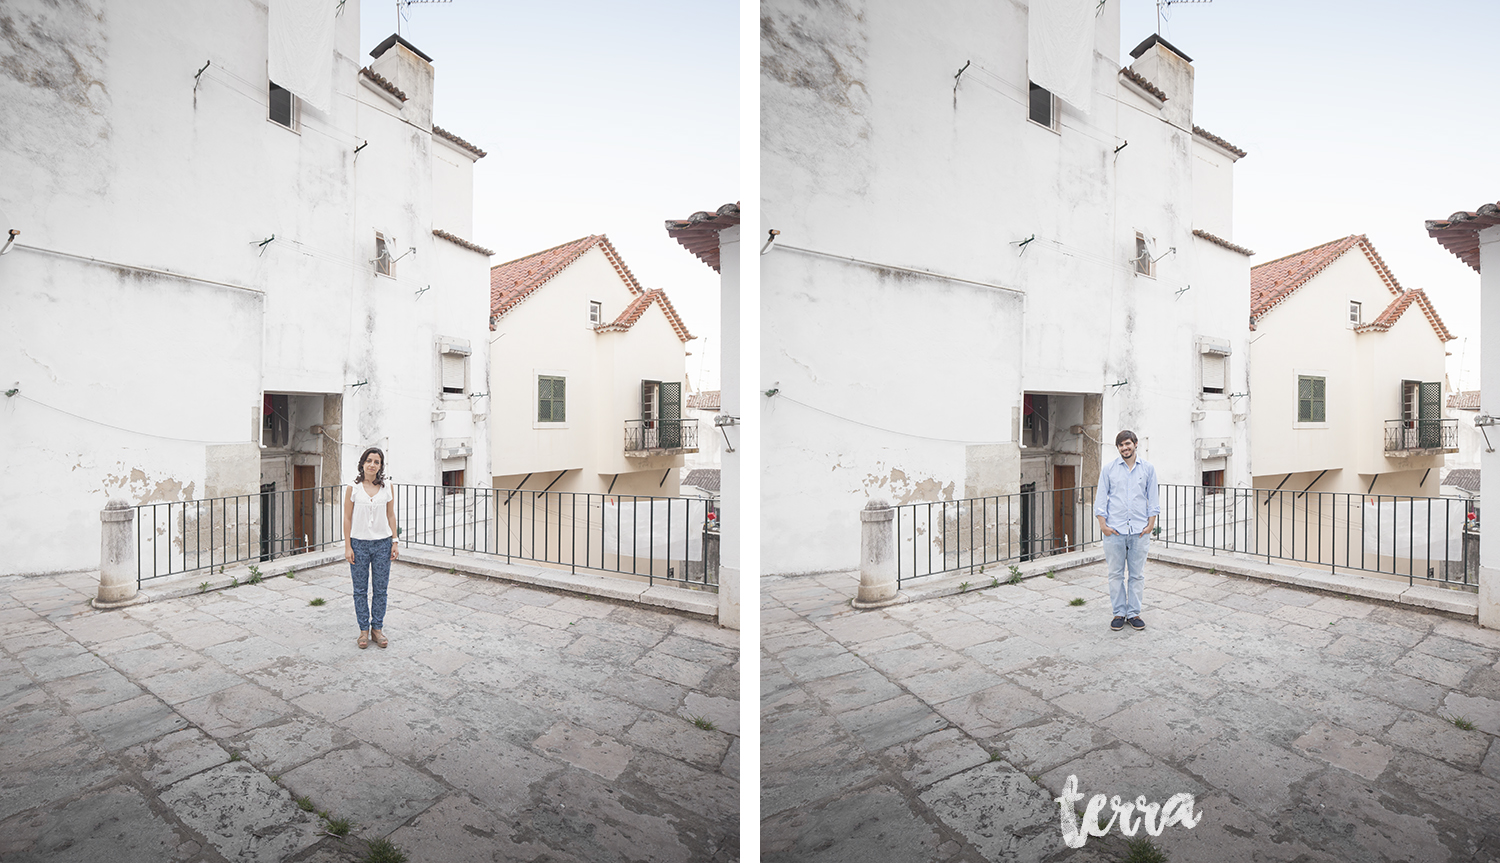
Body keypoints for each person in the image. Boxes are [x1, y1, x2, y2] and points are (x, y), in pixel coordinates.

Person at [1094, 429, 1158, 632]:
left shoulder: (1148, 469)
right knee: (1115, 574)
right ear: (1118, 448)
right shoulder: (1109, 469)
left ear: (1135, 444)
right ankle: (1119, 613)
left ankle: (1134, 613)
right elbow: (1101, 498)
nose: (1125, 448)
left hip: (1139, 531)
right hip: (1115, 531)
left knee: (1137, 575)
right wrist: (1103, 525)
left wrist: (1150, 524)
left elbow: (1153, 499)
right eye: (1121, 445)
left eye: (1128, 444)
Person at [344, 446, 398, 649]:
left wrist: (395, 541)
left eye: (377, 462)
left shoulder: (388, 487)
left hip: (383, 544)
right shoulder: (353, 488)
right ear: (362, 463)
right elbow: (347, 518)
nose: (372, 465)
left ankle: (377, 629)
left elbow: (391, 515)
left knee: (380, 589)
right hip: (358, 544)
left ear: (381, 466)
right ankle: (363, 631)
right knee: (360, 590)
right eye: (369, 460)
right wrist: (348, 546)